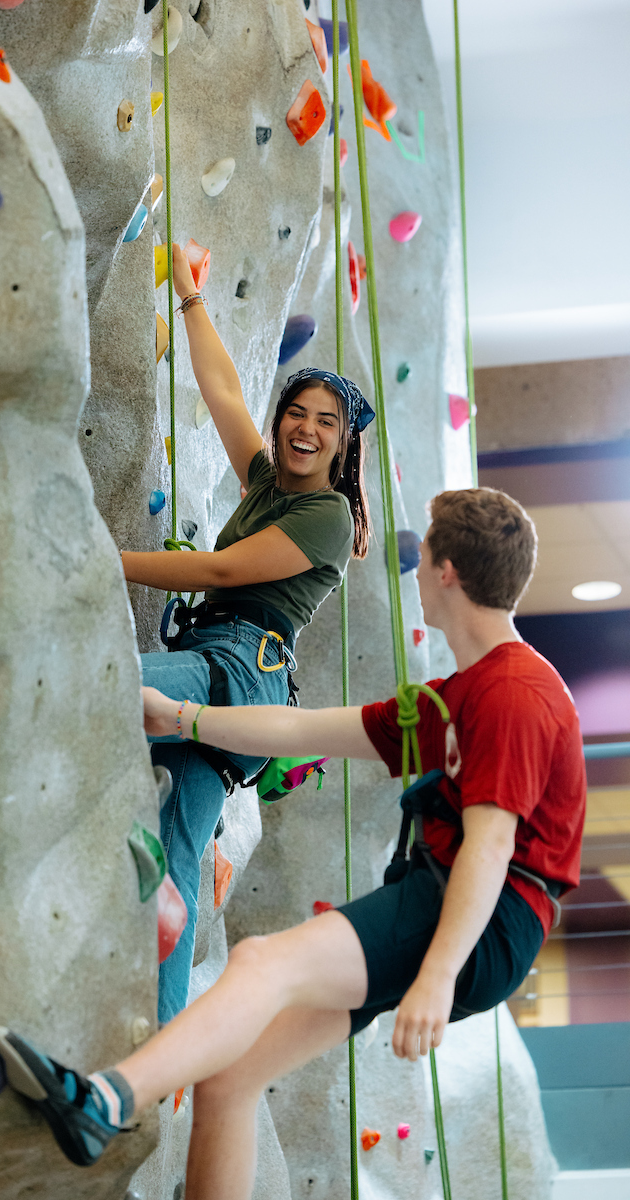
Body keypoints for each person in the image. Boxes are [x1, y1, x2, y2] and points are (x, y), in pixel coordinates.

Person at [0, 487, 586, 1196]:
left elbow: (491, 845)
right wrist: (182, 717)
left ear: (448, 570)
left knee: (261, 961)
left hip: (477, 915)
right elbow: (304, 731)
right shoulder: (457, 697)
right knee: (233, 1077)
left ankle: (107, 1101)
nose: (418, 571)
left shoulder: (516, 692)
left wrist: (435, 975)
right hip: (457, 909)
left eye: (423, 557)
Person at [125, 243, 373, 1022]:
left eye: (324, 423)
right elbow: (223, 390)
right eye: (296, 413)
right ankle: (164, 1045)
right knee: (175, 862)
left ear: (343, 445)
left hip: (236, 669)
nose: (304, 428)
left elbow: (226, 573)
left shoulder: (329, 515)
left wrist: (103, 561)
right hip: (216, 671)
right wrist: (193, 298)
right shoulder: (268, 480)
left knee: (99, 685)